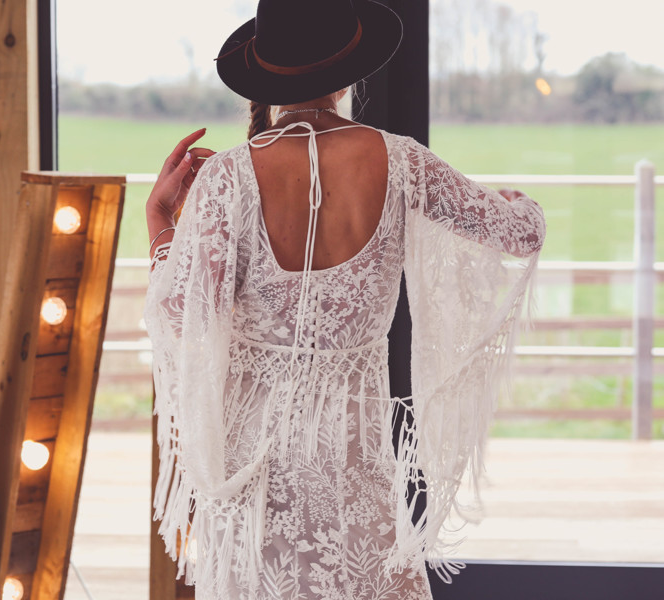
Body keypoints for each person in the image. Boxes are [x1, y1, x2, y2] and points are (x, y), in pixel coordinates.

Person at [144, 0, 546, 598]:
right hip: (352, 455)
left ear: (265, 75)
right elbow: (519, 235)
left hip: (252, 466)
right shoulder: (402, 160)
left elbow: (180, 311)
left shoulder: (227, 177)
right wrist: (515, 203)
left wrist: (160, 220)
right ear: (345, 74)